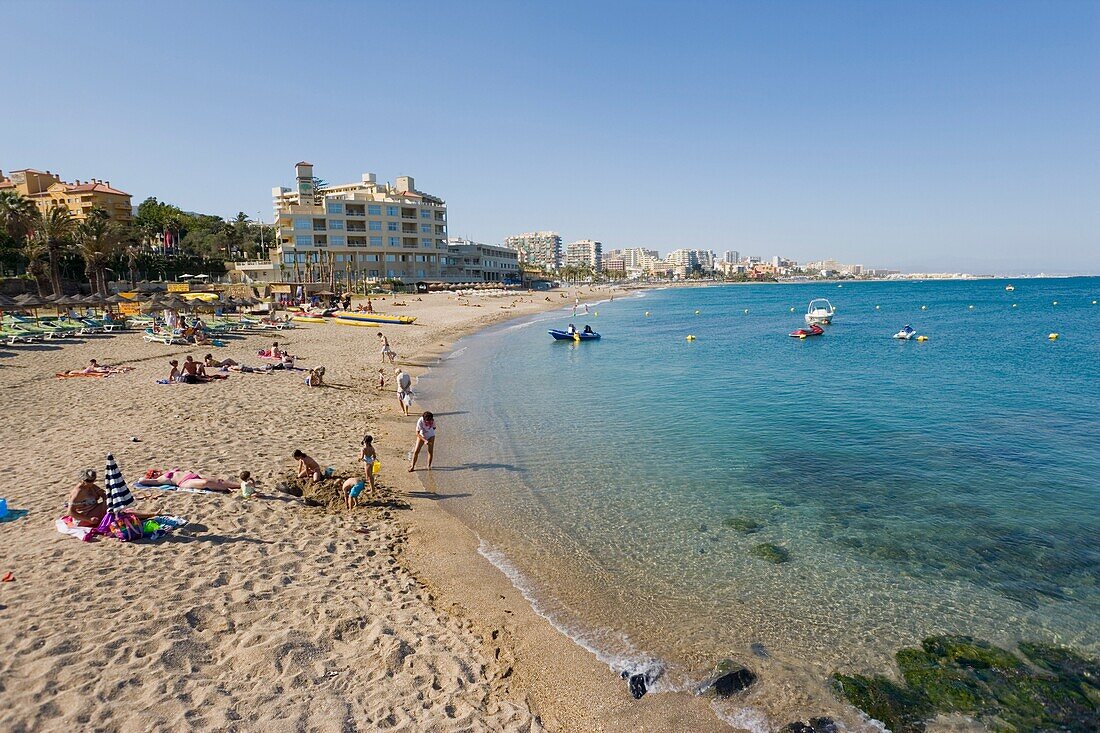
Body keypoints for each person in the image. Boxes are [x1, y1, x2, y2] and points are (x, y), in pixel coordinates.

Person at [137, 469, 239, 493]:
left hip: (194, 475)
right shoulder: (159, 480)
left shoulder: (168, 471)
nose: (155, 474)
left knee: (218, 480)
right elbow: (141, 481)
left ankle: (239, 485)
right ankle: (228, 489)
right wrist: (148, 479)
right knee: (205, 483)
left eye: (154, 472)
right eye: (152, 475)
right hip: (184, 482)